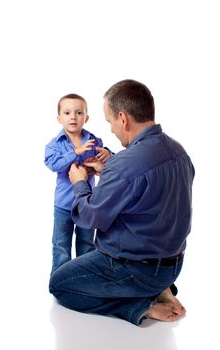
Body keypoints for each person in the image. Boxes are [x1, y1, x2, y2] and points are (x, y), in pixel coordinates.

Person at [49, 80, 195, 326]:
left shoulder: (127, 163)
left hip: (137, 271)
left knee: (59, 285)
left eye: (110, 122)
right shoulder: (179, 151)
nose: (113, 130)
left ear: (123, 118)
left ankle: (141, 306)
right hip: (173, 267)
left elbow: (90, 218)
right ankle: (160, 289)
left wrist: (79, 182)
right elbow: (145, 198)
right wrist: (108, 174)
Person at [45, 93, 111, 273]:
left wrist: (107, 153)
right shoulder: (54, 144)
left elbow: (106, 165)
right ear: (59, 118)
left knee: (86, 245)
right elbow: (53, 164)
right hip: (63, 205)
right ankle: (60, 280)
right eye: (67, 113)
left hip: (87, 205)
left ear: (86, 117)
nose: (73, 117)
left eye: (79, 112)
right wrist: (76, 151)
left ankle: (82, 280)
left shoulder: (94, 140)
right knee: (61, 246)